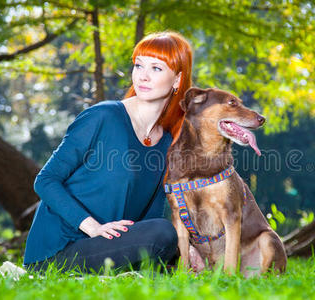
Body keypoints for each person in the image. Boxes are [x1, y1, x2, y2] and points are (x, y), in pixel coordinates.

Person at [23, 31, 193, 273]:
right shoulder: (103, 116)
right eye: (139, 65)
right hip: (59, 250)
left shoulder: (167, 142)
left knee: (164, 232)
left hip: (108, 247)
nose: (143, 76)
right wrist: (91, 227)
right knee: (163, 233)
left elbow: (151, 213)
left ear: (177, 80)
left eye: (156, 68)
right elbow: (45, 180)